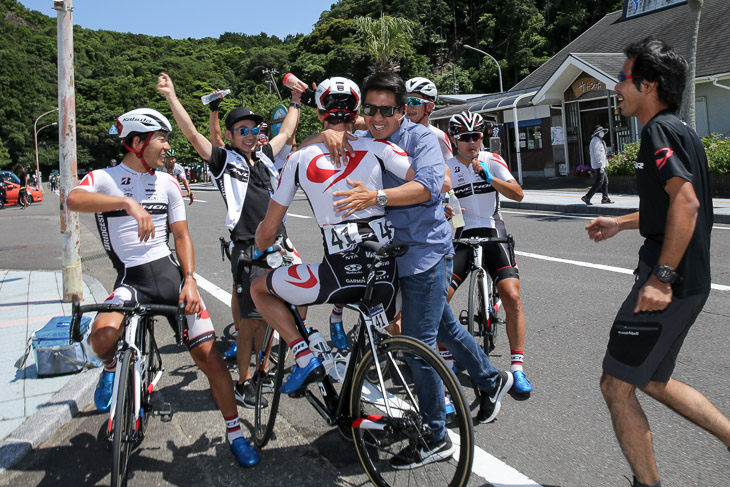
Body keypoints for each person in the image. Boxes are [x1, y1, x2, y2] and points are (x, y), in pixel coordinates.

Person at [316, 72, 513, 468]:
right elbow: (308, 145)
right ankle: (491, 380)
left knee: (418, 346)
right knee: (443, 327)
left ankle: (435, 436)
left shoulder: (421, 138)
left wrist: (377, 196)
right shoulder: (365, 132)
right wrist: (327, 136)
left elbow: (428, 186)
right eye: (369, 109)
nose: (376, 117)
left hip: (425, 251)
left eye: (386, 110)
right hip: (389, 252)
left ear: (403, 109)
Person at [66, 107, 260, 467]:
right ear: (137, 143)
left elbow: (182, 235)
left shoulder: (168, 182)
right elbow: (74, 200)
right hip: (131, 281)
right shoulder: (106, 177)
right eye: (162, 138)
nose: (167, 146)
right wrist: (126, 203)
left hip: (172, 278)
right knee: (102, 338)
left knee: (211, 359)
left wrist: (189, 280)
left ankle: (235, 433)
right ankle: (111, 368)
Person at [585, 37, 730, 487]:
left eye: (623, 78)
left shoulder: (659, 131)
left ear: (647, 85)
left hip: (671, 279)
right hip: (687, 277)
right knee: (649, 379)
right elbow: (674, 206)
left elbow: (686, 205)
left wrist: (662, 278)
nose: (616, 87)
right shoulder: (677, 129)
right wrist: (622, 224)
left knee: (616, 384)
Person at [251, 76, 414, 393]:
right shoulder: (379, 147)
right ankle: (437, 391)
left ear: (319, 114)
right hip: (385, 272)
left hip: (339, 277)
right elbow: (427, 179)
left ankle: (303, 355)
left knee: (259, 288)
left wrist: (259, 242)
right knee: (395, 324)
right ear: (357, 115)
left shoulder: (300, 159)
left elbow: (267, 231)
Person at [158, 72, 305, 410]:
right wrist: (172, 96)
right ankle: (243, 381)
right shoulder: (225, 161)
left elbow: (285, 131)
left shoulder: (266, 156)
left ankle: (264, 368)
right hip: (248, 249)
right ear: (230, 135)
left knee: (284, 308)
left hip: (280, 245)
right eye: (243, 131)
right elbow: (193, 134)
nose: (251, 135)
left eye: (254, 129)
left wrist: (296, 101)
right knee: (251, 321)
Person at [445, 111, 533, 395]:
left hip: (493, 232)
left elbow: (518, 194)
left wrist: (489, 177)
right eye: (465, 138)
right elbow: (432, 200)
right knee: (439, 297)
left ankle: (517, 368)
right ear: (454, 139)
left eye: (477, 136)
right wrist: (441, 209)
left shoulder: (492, 161)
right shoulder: (446, 168)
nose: (472, 142)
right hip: (462, 235)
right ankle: (449, 356)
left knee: (512, 296)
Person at [404, 76, 453, 162]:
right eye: (405, 101)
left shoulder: (439, 136)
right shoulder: (394, 132)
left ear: (429, 107)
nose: (409, 107)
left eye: (415, 101)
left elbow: (449, 169)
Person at [581, 125, 614, 205]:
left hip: (600, 165)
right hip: (599, 165)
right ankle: (587, 197)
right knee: (599, 182)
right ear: (597, 133)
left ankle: (605, 198)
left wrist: (605, 163)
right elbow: (598, 154)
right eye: (601, 132)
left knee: (605, 181)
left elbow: (602, 154)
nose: (602, 133)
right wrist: (601, 164)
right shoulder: (596, 140)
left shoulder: (598, 140)